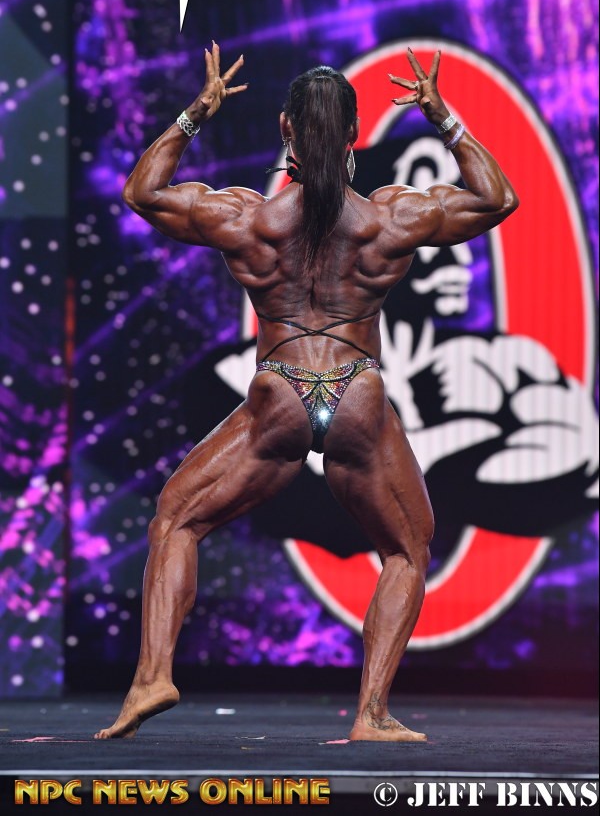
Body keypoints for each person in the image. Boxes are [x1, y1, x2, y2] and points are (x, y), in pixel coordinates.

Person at [95, 43, 518, 741]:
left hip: (281, 392)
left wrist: (196, 113)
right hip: (357, 393)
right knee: (406, 551)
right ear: (355, 132)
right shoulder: (389, 218)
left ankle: (152, 677)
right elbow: (497, 198)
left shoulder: (248, 219)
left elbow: (142, 193)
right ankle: (371, 714)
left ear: (286, 127)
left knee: (176, 520)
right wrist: (442, 118)